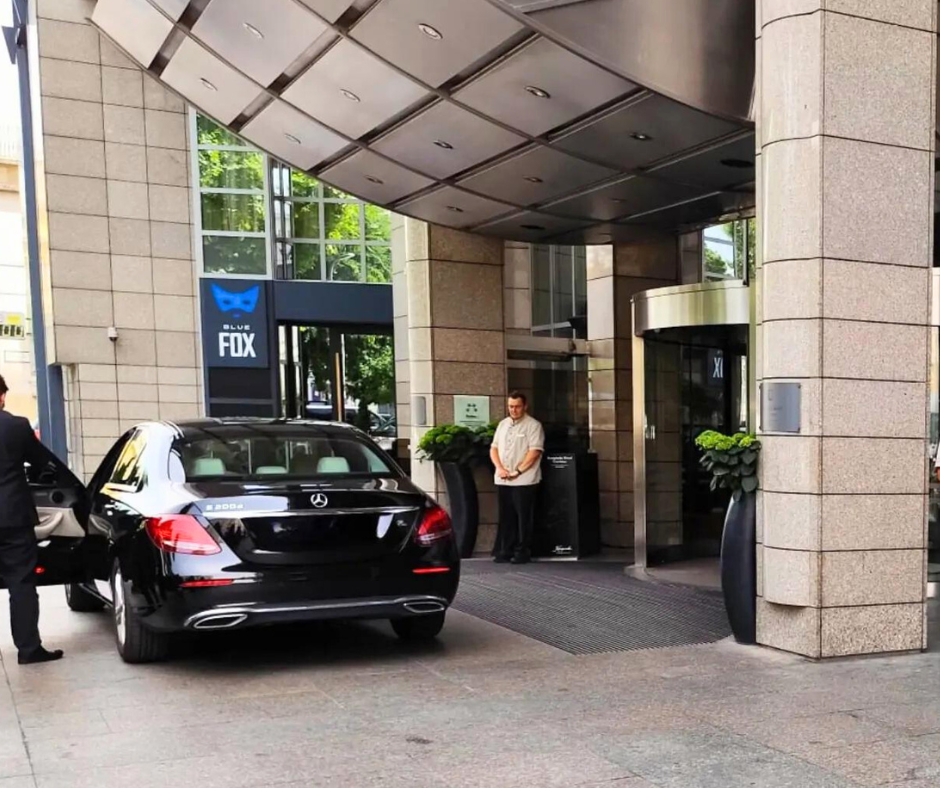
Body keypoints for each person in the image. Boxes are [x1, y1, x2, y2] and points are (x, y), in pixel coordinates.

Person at [0, 375, 64, 664]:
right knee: (21, 584)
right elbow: (43, 462)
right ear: (2, 396)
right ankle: (28, 650)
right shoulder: (16, 426)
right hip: (13, 517)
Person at [490, 392, 545, 565]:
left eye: (517, 406)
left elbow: (534, 452)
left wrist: (518, 471)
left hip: (524, 480)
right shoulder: (503, 424)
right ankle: (505, 550)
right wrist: (499, 468)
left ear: (525, 406)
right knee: (506, 516)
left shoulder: (533, 425)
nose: (513, 410)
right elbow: (494, 448)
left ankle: (522, 551)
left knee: (523, 518)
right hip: (503, 478)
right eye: (511, 406)